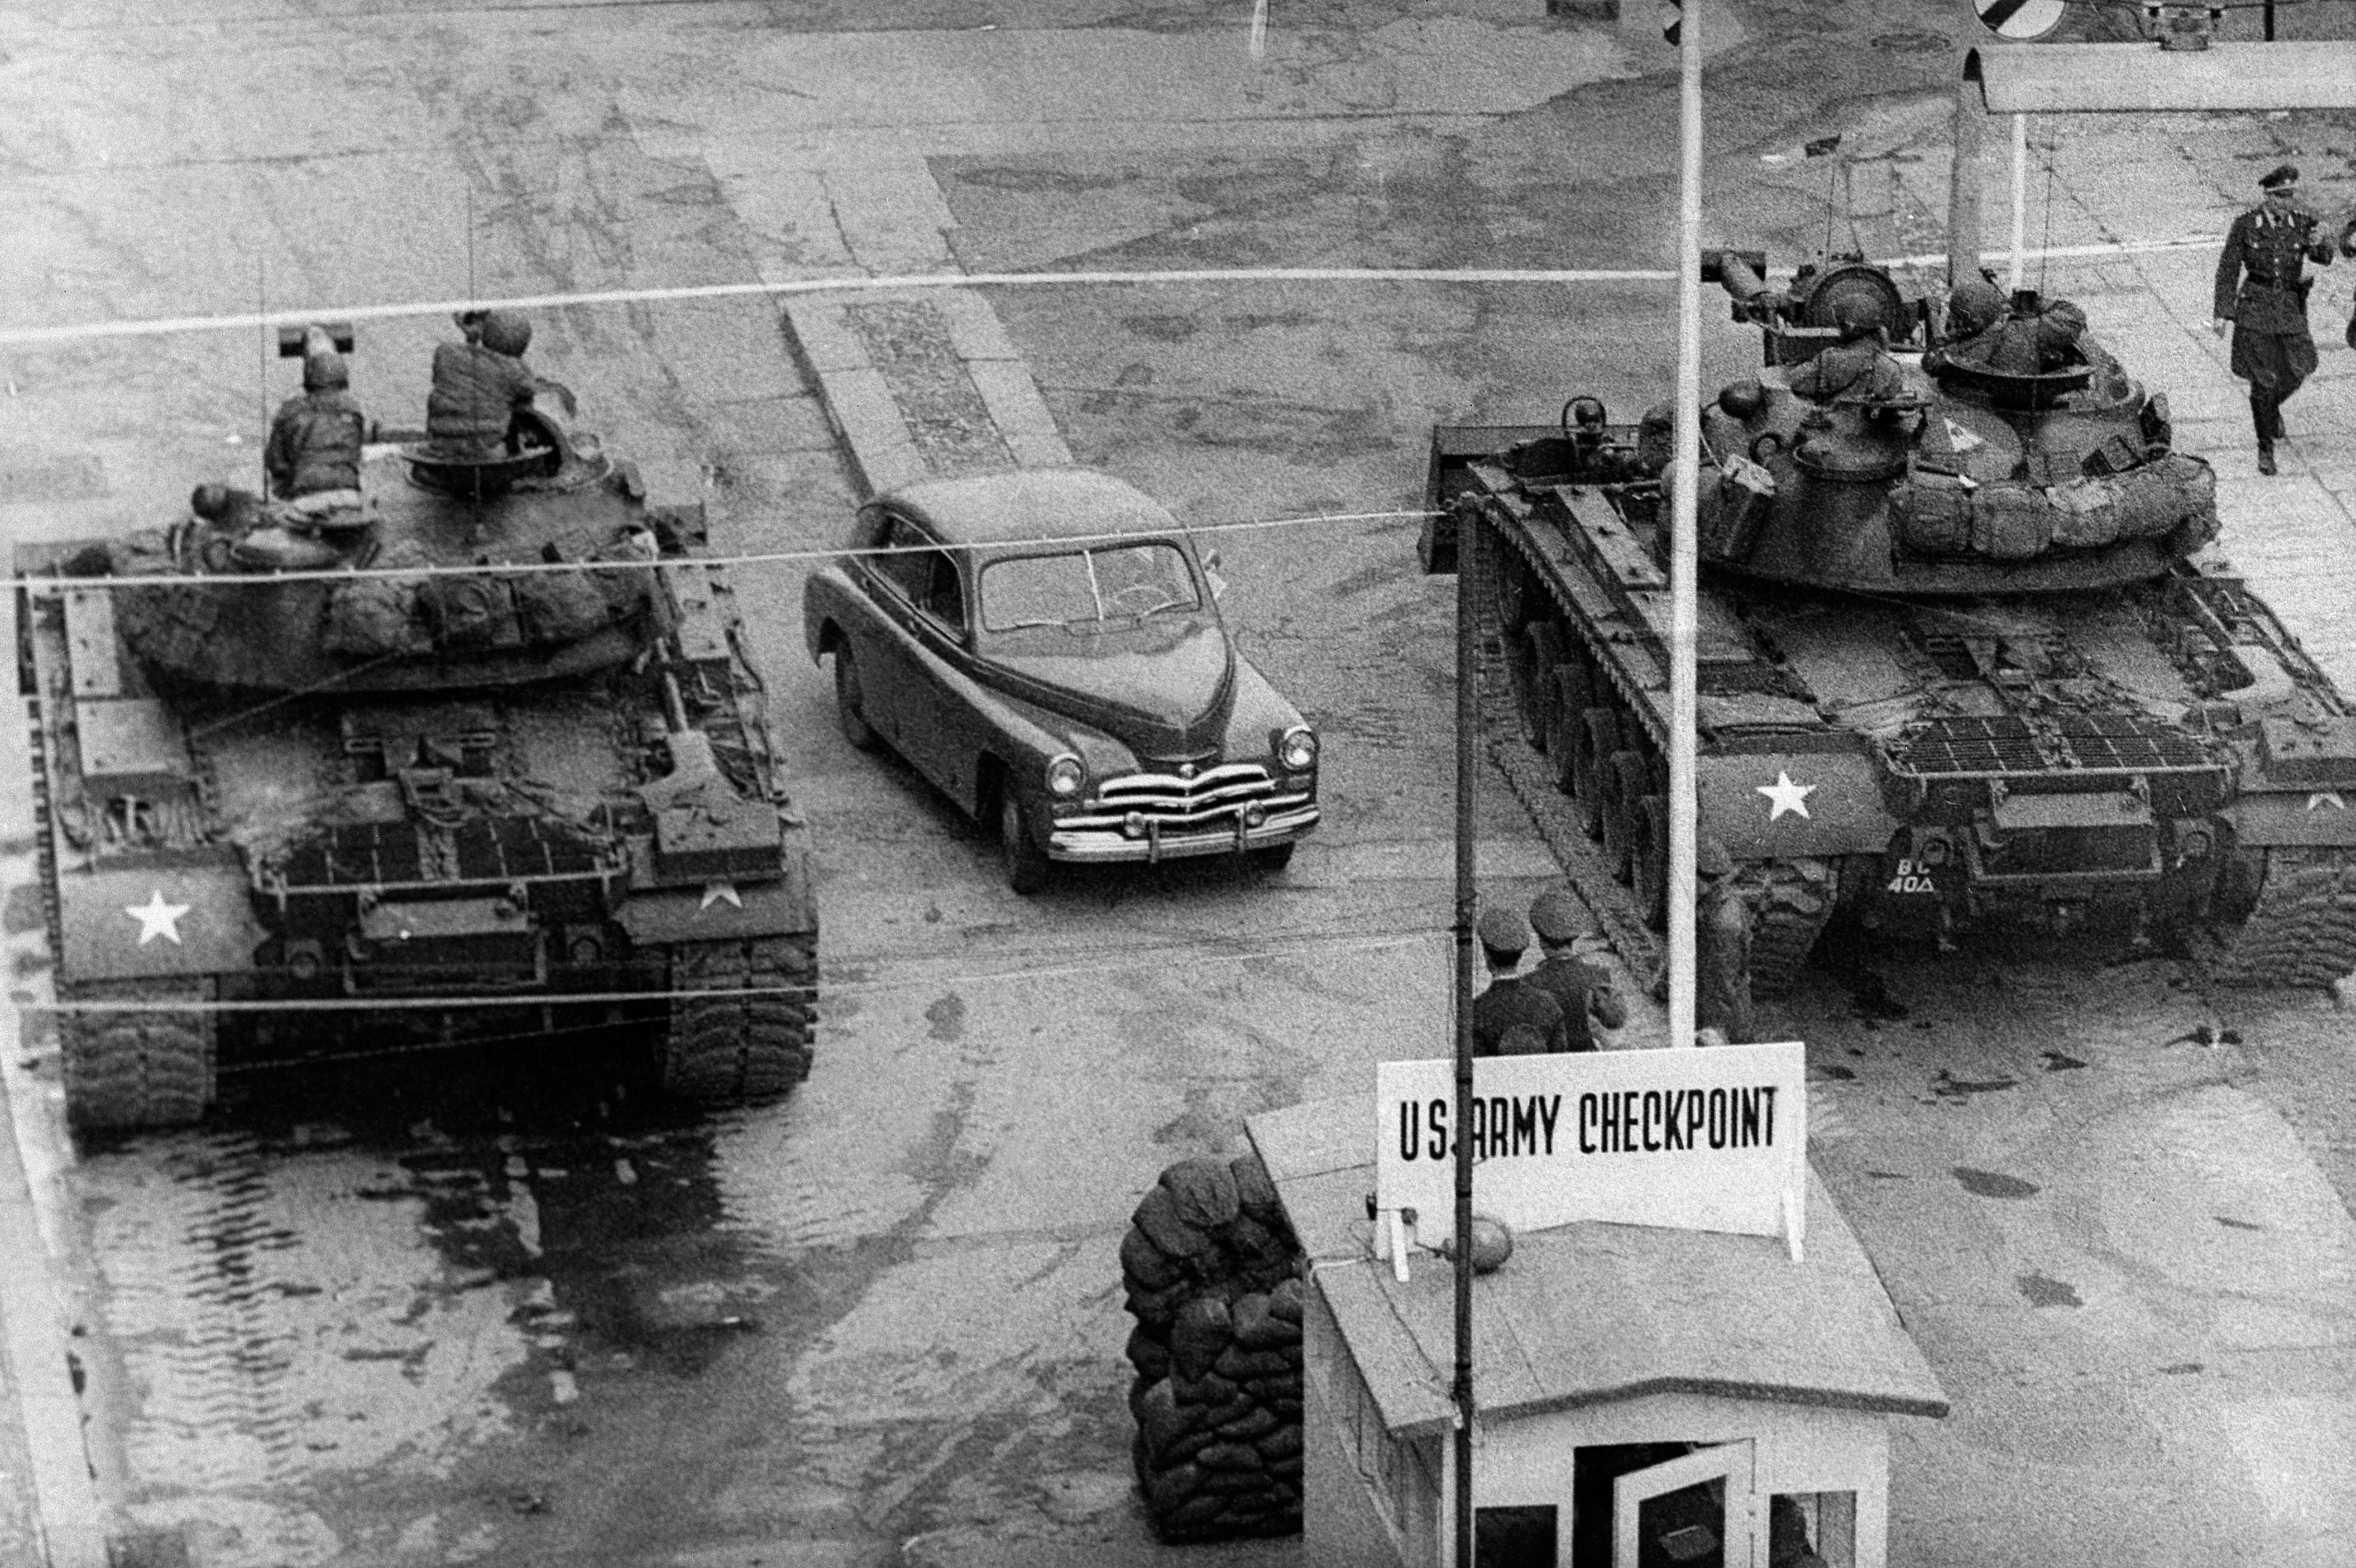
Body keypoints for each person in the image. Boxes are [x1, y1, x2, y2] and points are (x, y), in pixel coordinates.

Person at [2212, 164, 2335, 476]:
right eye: (2280, 197)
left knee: (2301, 366)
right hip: (2255, 309)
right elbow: (2228, 269)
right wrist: (2223, 313)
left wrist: (2324, 242)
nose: (2285, 203)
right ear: (2267, 197)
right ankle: (2265, 448)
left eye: (2290, 197)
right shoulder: (2246, 226)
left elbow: (2323, 258)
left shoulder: (2302, 225)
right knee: (2263, 380)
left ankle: (2271, 408)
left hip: (2289, 308)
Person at [262, 328, 368, 502]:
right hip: (350, 494)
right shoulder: (354, 410)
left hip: (305, 495)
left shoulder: (290, 411)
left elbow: (276, 463)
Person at [1524, 887, 1626, 1052]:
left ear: (1541, 941)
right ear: (1574, 938)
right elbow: (1614, 1026)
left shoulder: (1530, 984)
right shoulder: (1599, 976)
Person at [427, 308, 539, 455]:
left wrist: (472, 340)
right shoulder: (517, 373)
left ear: (485, 334)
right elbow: (526, 398)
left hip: (440, 448)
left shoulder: (445, 353)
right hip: (487, 453)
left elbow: (470, 364)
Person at [1469, 905, 1569, 1057]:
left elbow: (1477, 1072)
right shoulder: (1548, 1004)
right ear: (1521, 955)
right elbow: (1560, 1063)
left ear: (1486, 956)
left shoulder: (1476, 1012)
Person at [1694, 838, 1755, 1046]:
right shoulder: (1715, 905)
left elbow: (1723, 983)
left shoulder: (1722, 924)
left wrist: (1717, 1031)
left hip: (1726, 1027)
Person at [1785, 302, 1906, 404]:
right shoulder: (1892, 367)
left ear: (1849, 327)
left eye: (1841, 326)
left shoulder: (1830, 360)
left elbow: (1796, 381)